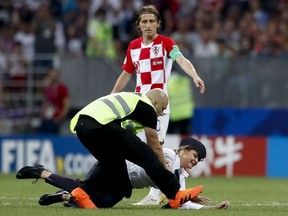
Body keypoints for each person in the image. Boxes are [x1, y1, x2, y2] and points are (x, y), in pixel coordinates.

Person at [42, 88, 203, 209]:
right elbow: (154, 143)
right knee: (146, 153)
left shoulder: (132, 101)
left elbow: (124, 136)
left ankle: (81, 194)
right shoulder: (147, 107)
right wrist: (166, 168)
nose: (161, 114)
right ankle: (175, 194)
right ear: (154, 103)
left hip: (82, 127)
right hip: (99, 123)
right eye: (162, 109)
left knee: (112, 164)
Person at [111, 5, 205, 205]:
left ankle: (156, 193)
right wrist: (112, 96)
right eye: (144, 22)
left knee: (156, 148)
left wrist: (194, 75)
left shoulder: (165, 43)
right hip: (137, 105)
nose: (148, 25)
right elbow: (126, 73)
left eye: (152, 21)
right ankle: (142, 186)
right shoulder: (133, 47)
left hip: (158, 106)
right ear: (138, 25)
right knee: (135, 147)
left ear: (158, 24)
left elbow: (181, 60)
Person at [16, 137, 230, 210]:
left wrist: (209, 206)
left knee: (102, 205)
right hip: (116, 167)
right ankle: (42, 172)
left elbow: (180, 202)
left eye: (198, 160)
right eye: (194, 155)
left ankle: (62, 196)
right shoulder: (165, 154)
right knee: (84, 187)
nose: (195, 161)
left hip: (124, 185)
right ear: (183, 150)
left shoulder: (180, 176)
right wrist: (182, 191)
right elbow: (163, 165)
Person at [38, 68, 70, 134]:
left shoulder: (62, 88)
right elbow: (46, 101)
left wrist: (60, 117)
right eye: (52, 76)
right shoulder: (48, 88)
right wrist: (43, 113)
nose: (53, 78)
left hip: (56, 117)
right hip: (47, 117)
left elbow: (66, 104)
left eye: (55, 76)